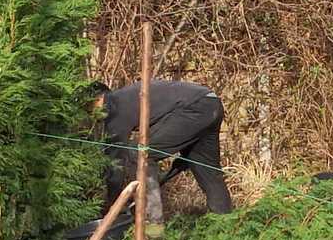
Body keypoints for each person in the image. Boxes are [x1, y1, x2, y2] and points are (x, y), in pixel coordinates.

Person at [95, 79, 232, 225]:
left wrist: (113, 202)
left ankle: (153, 226)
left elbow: (115, 164)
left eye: (88, 108)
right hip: (210, 102)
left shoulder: (113, 108)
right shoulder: (125, 97)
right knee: (209, 173)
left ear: (98, 99)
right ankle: (225, 227)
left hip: (193, 108)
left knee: (140, 153)